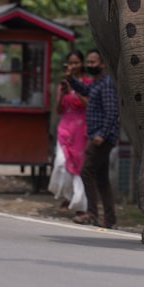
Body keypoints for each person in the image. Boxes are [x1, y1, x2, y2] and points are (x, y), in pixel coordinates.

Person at [66, 50, 119, 228]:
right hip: (96, 135)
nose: (89, 65)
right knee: (102, 178)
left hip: (100, 137)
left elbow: (112, 112)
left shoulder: (107, 84)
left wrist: (102, 135)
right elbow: (84, 89)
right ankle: (109, 219)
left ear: (103, 64)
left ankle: (92, 212)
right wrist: (71, 78)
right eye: (88, 62)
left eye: (93, 62)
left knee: (86, 171)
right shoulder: (96, 83)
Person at [47, 50, 91, 218]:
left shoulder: (87, 83)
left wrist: (77, 88)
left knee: (78, 166)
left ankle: (79, 203)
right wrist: (64, 93)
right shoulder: (63, 85)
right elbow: (59, 109)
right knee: (61, 163)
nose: (73, 66)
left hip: (81, 128)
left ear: (81, 64)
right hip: (65, 127)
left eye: (76, 63)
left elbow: (88, 104)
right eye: (70, 63)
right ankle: (67, 195)